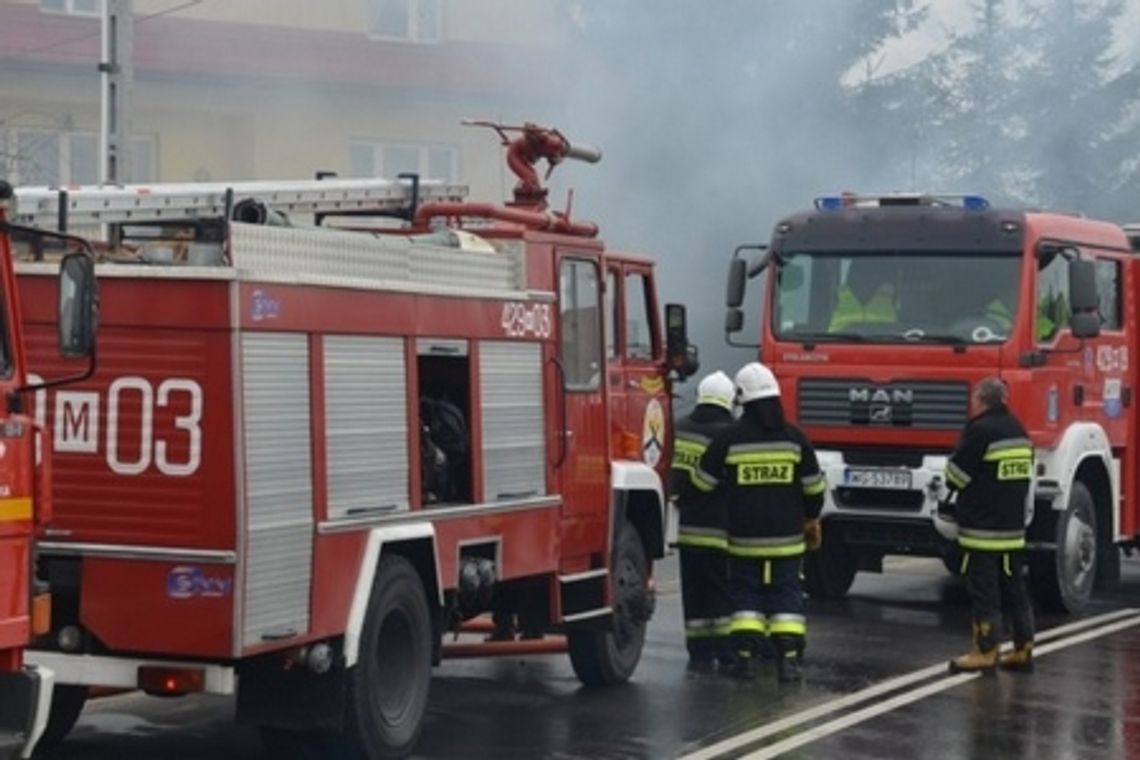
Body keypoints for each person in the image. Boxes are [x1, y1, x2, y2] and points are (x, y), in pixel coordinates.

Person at [694, 362, 825, 683]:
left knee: (744, 599)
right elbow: (814, 488)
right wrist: (810, 518)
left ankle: (744, 661)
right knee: (787, 598)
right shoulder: (795, 438)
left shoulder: (729, 438)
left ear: (743, 400)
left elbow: (701, 482)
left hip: (743, 540)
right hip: (788, 541)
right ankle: (790, 663)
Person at [943, 376, 1035, 673]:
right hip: (1013, 529)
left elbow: (956, 477)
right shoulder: (1018, 430)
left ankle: (985, 651)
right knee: (1015, 589)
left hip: (982, 531)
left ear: (981, 401)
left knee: (984, 591)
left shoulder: (980, 430)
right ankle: (1023, 648)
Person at [670, 371, 736, 670]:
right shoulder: (729, 435)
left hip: (684, 530)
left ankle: (698, 653)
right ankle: (725, 651)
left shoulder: (679, 429)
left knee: (693, 595)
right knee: (720, 594)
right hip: (719, 531)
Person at [829, 261, 897, 332]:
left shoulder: (892, 296)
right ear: (852, 274)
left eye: (871, 272)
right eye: (860, 273)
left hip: (889, 342)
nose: (866, 276)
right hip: (835, 342)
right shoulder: (835, 296)